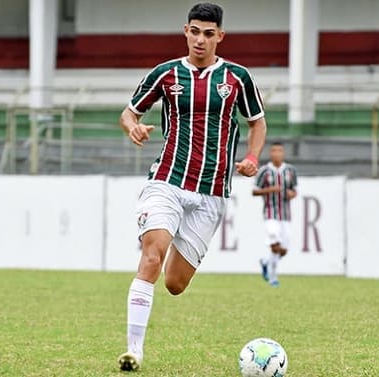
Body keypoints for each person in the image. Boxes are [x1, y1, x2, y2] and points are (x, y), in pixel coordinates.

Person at [116, 2, 267, 372]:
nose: (200, 40)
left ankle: (164, 277)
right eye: (195, 32)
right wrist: (132, 127)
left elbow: (257, 122)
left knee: (175, 283)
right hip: (166, 180)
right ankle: (134, 350)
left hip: (211, 193)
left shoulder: (237, 79)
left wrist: (252, 158)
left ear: (220, 36)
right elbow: (129, 112)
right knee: (152, 256)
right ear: (186, 31)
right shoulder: (166, 74)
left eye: (208, 33)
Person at [252, 142, 297, 287]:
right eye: (274, 151)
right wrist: (270, 189)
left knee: (283, 250)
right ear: (270, 154)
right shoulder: (265, 171)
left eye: (280, 151)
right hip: (270, 214)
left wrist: (292, 194)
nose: (277, 154)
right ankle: (273, 278)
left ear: (283, 153)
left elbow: (294, 190)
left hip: (285, 214)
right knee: (276, 246)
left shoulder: (290, 170)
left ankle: (266, 262)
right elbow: (255, 191)